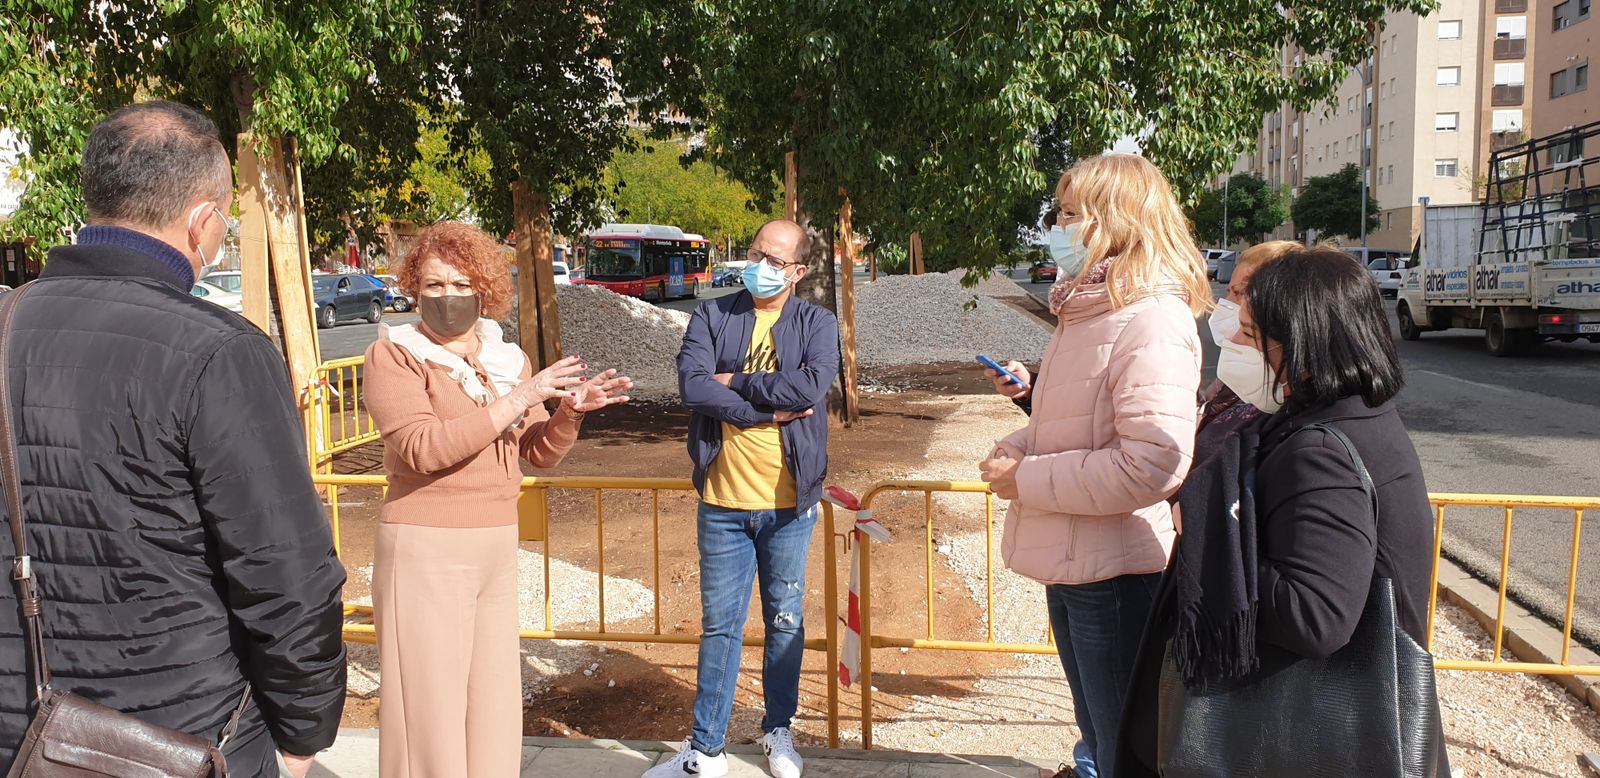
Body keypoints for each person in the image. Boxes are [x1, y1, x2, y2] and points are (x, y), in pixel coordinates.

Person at [0, 101, 346, 776]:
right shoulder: (220, 351)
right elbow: (288, 576)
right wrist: (301, 738)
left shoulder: (5, 323)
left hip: (18, 731)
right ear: (202, 221)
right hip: (181, 740)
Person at [1115, 247, 1445, 777]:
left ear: (1302, 342)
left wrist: (1208, 533)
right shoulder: (1361, 414)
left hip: (1310, 736)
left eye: (1250, 334)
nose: (1236, 343)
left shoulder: (1321, 450)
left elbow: (1315, 617)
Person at [363, 221, 632, 777]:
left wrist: (569, 411)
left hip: (494, 542)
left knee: (493, 706)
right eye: (433, 285)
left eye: (460, 284)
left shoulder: (508, 359)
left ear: (484, 288)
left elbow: (536, 453)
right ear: (413, 288)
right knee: (429, 715)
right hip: (425, 545)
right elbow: (421, 449)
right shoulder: (395, 355)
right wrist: (523, 398)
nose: (447, 297)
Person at [976, 154, 1210, 778]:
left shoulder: (1151, 319)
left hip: (1116, 573)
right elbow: (1076, 427)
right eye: (1060, 211)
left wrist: (1024, 478)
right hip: (1078, 562)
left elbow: (1151, 461)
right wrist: (1019, 448)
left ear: (1120, 221)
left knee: (1124, 749)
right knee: (1103, 738)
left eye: (1072, 214)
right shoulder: (1086, 312)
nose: (1057, 226)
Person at [650, 219, 839, 778]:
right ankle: (705, 750)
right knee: (721, 627)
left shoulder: (816, 322)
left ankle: (778, 731)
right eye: (759, 252)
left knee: (784, 621)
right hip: (724, 504)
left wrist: (731, 383)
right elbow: (691, 384)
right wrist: (759, 407)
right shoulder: (713, 312)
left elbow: (809, 388)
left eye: (776, 259)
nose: (762, 264)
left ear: (798, 271)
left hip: (789, 506)